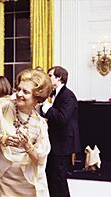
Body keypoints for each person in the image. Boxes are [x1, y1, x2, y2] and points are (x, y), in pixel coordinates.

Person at [0, 69, 53, 196]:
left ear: (37, 98)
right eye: (18, 89)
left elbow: (40, 159)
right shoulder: (2, 107)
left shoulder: (40, 124)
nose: (18, 94)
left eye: (25, 92)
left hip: (27, 181)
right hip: (4, 176)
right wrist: (3, 139)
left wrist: (27, 145)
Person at [41, 66, 81, 197]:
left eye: (50, 75)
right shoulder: (58, 94)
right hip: (57, 142)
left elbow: (63, 118)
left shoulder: (67, 95)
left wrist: (47, 109)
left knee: (59, 178)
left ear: (59, 78)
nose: (48, 78)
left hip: (63, 144)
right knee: (52, 177)